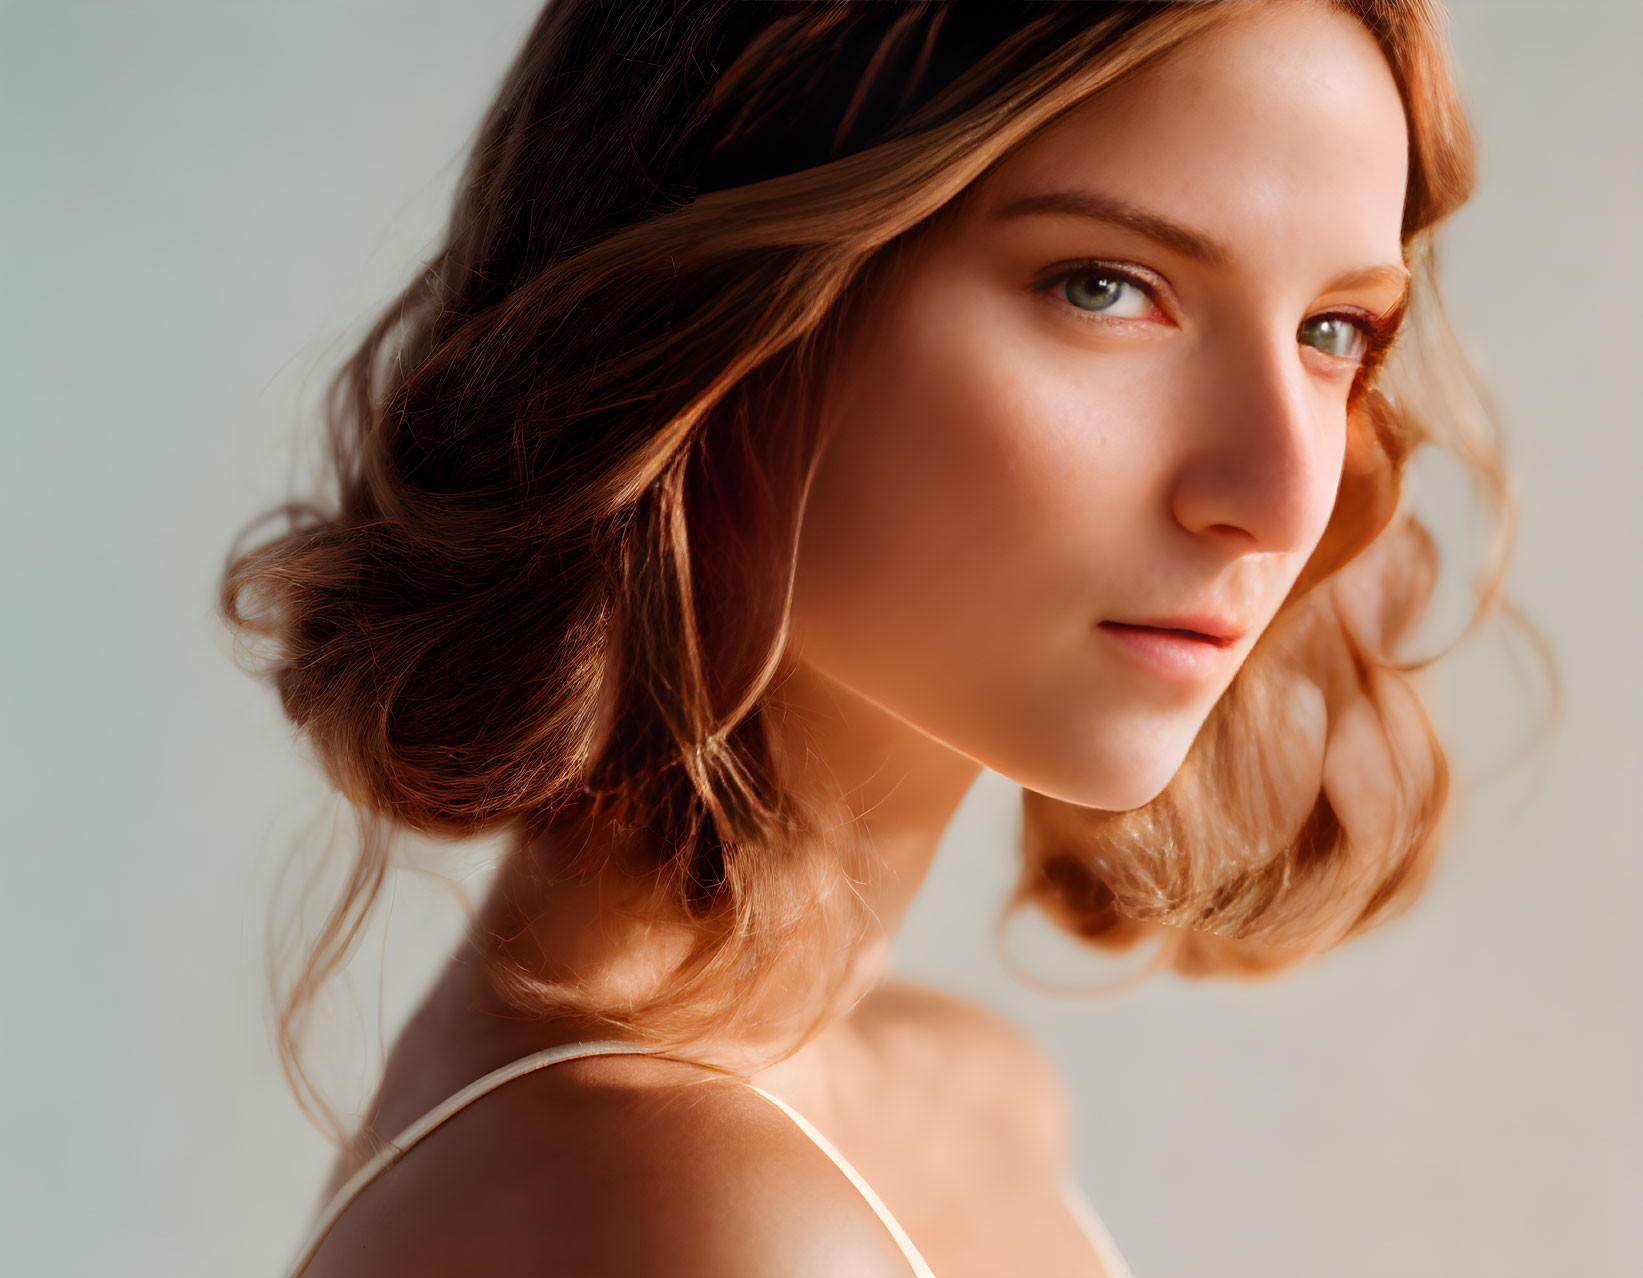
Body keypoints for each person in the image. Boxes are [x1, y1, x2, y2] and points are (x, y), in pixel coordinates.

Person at [219, 1, 1519, 1273]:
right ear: (722, 303)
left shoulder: (957, 1099)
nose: (1287, 492)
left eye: (1333, 330)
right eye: (1104, 285)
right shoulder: (676, 1212)